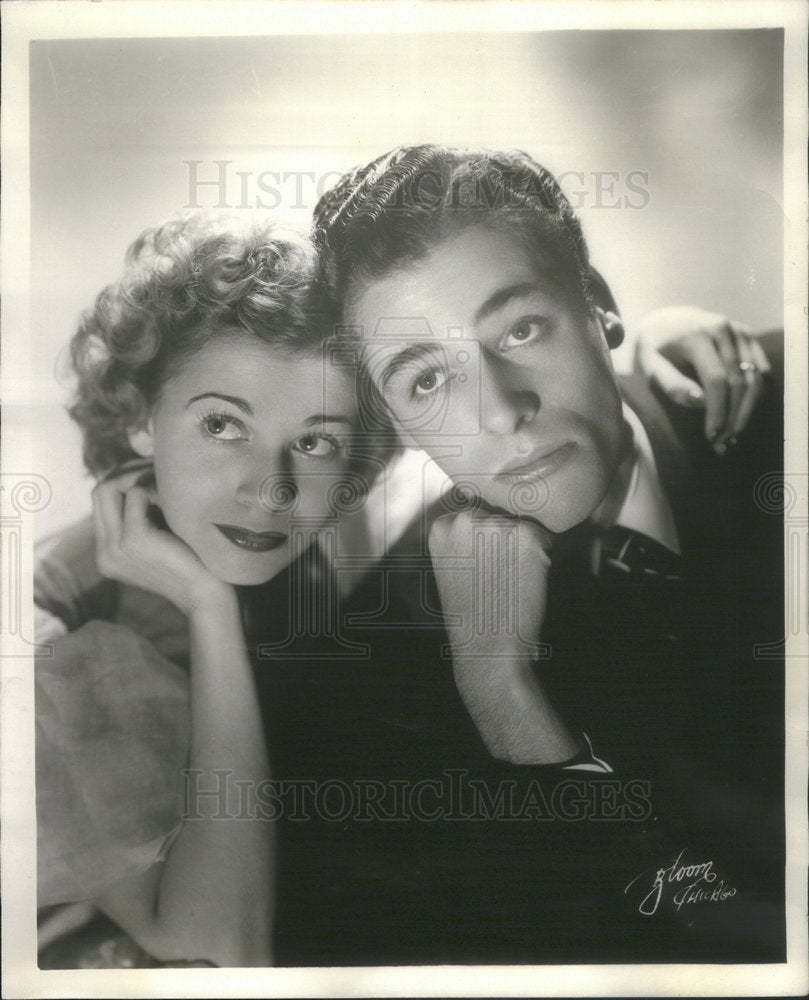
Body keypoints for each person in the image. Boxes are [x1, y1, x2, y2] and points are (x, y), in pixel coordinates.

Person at [302, 144, 784, 963]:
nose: (500, 411)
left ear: (599, 306)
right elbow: (642, 951)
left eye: (519, 330)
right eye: (426, 380)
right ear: (396, 423)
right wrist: (501, 694)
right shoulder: (387, 662)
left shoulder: (776, 409)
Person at [34, 214, 375, 968]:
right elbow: (218, 958)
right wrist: (209, 611)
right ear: (138, 420)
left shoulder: (316, 556)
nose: (271, 491)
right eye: (223, 424)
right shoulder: (46, 629)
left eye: (316, 441)